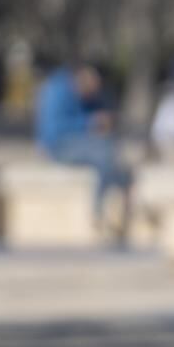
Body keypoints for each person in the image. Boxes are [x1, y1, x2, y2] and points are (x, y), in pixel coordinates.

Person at [34, 62, 131, 233]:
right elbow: (53, 130)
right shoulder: (57, 90)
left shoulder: (81, 93)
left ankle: (117, 205)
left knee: (109, 152)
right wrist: (90, 122)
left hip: (77, 142)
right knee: (103, 154)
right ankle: (98, 211)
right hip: (57, 146)